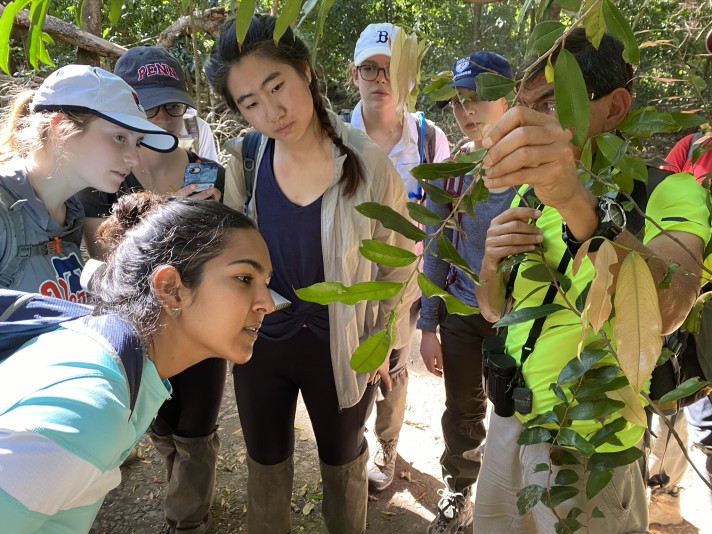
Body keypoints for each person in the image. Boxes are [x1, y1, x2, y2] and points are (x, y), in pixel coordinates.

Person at [473, 29, 710, 532]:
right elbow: (495, 311)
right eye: (525, 104)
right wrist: (491, 266)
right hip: (510, 422)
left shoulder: (668, 191)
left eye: (553, 103)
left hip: (591, 448)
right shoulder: (529, 197)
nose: (531, 120)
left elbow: (668, 307)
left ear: (616, 107)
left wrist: (578, 204)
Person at [205, 14, 417, 534]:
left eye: (277, 86)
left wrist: (383, 344)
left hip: (341, 348)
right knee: (265, 463)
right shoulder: (247, 159)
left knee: (344, 467)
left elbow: (399, 266)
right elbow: (229, 258)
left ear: (305, 71)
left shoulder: (368, 167)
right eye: (250, 102)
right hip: (263, 346)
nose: (272, 111)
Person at [0, 192, 275, 533]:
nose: (268, 303)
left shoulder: (113, 358)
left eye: (266, 283)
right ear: (171, 288)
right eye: (245, 278)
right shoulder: (91, 410)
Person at [77, 45, 226, 534]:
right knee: (161, 423)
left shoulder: (209, 172)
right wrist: (169, 214)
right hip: (138, 329)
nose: (164, 118)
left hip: (201, 325)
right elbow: (105, 257)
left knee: (197, 429)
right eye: (149, 107)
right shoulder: (105, 178)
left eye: (174, 106)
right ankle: (175, 475)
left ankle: (187, 519)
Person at [348, 22, 450, 493]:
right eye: (370, 68)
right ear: (354, 75)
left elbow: (446, 215)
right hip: (347, 275)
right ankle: (348, 445)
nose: (380, 80)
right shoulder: (332, 136)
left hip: (405, 279)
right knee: (347, 361)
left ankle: (386, 444)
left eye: (391, 70)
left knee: (391, 361)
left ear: (408, 77)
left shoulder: (431, 141)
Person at [417, 50, 514, 533]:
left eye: (477, 98)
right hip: (460, 308)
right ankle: (459, 489)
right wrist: (428, 324)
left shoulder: (533, 168)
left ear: (508, 98)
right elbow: (436, 248)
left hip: (518, 317)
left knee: (517, 411)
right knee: (462, 409)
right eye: (457, 101)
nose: (465, 111)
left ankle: (517, 496)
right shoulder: (452, 170)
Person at [0, 64, 176, 298]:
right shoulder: (4, 212)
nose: (134, 158)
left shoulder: (71, 211)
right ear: (61, 128)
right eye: (119, 137)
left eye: (138, 142)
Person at [645, 121, 712, 526]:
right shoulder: (693, 145)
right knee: (684, 412)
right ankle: (663, 493)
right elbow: (660, 217)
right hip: (697, 313)